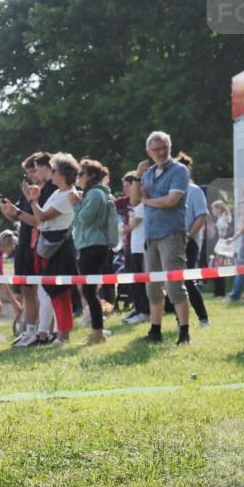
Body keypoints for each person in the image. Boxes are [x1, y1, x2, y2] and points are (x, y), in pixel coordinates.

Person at [131, 131, 192, 345]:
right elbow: (134, 201)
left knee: (174, 285)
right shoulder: (147, 174)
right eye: (156, 149)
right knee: (152, 287)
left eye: (164, 147)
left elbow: (171, 200)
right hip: (151, 235)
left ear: (170, 147)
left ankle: (184, 332)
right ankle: (155, 331)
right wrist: (137, 177)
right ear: (149, 152)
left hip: (172, 233)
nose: (161, 152)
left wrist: (148, 202)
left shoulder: (179, 170)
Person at [0, 152, 58, 349]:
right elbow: (20, 217)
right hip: (25, 244)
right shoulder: (30, 191)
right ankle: (31, 330)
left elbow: (36, 220)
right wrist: (10, 213)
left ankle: (44, 331)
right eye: (29, 172)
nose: (32, 176)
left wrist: (17, 212)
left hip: (41, 245)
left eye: (34, 170)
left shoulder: (51, 189)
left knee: (43, 291)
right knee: (27, 290)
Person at [26, 154, 81, 345]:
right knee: (53, 293)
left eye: (54, 170)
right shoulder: (58, 193)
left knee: (60, 293)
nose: (52, 173)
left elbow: (41, 217)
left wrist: (33, 200)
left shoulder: (67, 195)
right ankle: (59, 334)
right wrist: (34, 201)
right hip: (49, 246)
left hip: (59, 248)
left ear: (64, 173)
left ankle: (63, 335)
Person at [74, 159, 114, 345]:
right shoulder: (93, 193)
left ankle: (98, 333)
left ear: (90, 176)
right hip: (89, 245)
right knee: (90, 291)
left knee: (89, 291)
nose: (78, 178)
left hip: (93, 245)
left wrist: (76, 204)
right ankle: (97, 332)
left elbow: (85, 218)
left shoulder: (96, 194)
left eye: (81, 174)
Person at [176, 152, 210, 327]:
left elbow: (202, 216)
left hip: (190, 242)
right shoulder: (174, 190)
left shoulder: (195, 190)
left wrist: (188, 236)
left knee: (188, 280)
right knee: (175, 282)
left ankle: (203, 318)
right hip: (174, 242)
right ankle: (179, 320)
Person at [121, 172, 151, 324]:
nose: (126, 189)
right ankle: (139, 309)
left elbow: (136, 220)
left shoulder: (141, 201)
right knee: (134, 280)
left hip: (141, 247)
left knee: (140, 281)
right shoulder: (136, 202)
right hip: (135, 246)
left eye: (129, 186)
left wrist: (125, 229)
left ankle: (145, 311)